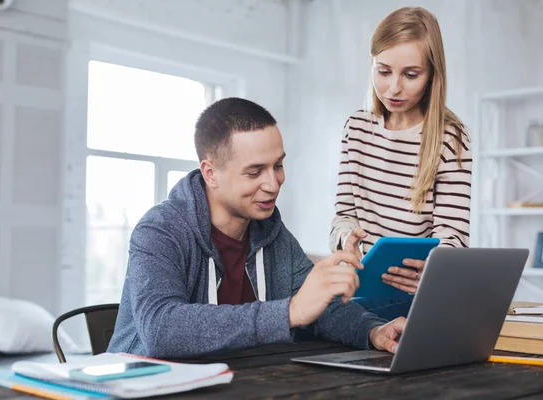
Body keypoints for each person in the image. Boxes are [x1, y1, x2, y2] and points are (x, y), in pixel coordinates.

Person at [108, 97, 405, 358]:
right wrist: (288, 312)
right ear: (211, 173)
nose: (273, 184)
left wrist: (373, 331)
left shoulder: (273, 233)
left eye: (277, 166)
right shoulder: (160, 230)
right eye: (254, 172)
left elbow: (321, 309)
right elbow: (161, 329)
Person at [330, 7, 472, 320]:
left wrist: (434, 269)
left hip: (416, 295)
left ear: (432, 74)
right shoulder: (356, 127)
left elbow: (454, 237)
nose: (394, 88)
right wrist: (346, 240)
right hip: (361, 289)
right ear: (371, 64)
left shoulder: (449, 135)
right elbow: (343, 215)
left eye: (410, 74)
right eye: (383, 71)